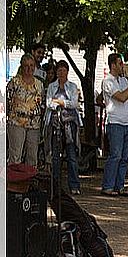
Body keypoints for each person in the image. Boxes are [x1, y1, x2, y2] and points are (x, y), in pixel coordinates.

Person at [101, 53, 128, 197]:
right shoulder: (108, 81)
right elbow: (121, 97)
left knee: (124, 157)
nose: (122, 66)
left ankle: (119, 185)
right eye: (120, 63)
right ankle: (108, 186)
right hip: (115, 122)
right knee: (115, 155)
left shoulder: (124, 80)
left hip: (127, 122)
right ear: (113, 65)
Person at [44, 60, 82, 194]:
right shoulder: (51, 86)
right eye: (58, 70)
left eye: (63, 70)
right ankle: (56, 186)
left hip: (70, 123)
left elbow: (74, 103)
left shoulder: (72, 86)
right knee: (55, 156)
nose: (61, 73)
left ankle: (74, 185)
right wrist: (59, 104)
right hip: (55, 123)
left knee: (71, 155)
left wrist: (60, 102)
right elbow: (49, 103)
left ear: (67, 71)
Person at [6, 54, 45, 166]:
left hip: (34, 124)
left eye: (32, 65)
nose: (29, 68)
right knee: (15, 155)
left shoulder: (39, 84)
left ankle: (30, 181)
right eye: (26, 66)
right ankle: (14, 181)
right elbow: (7, 101)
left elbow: (42, 104)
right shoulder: (14, 82)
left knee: (32, 156)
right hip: (16, 123)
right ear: (22, 67)